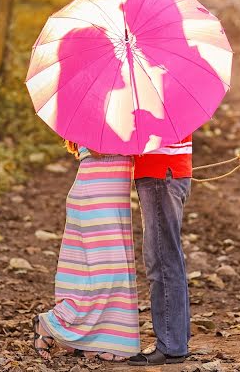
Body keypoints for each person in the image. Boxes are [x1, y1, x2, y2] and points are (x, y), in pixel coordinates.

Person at [32, 143, 140, 362]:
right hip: (95, 197)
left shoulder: (121, 113)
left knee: (106, 272)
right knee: (104, 273)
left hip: (112, 198)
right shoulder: (95, 116)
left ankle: (94, 341)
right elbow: (99, 149)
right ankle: (51, 323)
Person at [127, 135, 193, 366]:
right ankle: (177, 341)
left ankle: (170, 345)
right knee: (169, 257)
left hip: (159, 173)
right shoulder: (166, 99)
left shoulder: (153, 99)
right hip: (169, 171)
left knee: (161, 260)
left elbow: (136, 133)